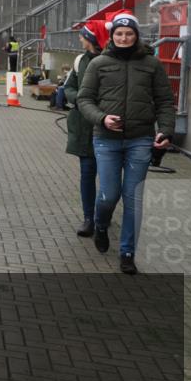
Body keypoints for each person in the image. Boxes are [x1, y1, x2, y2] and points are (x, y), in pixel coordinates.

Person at [77, 10, 176, 275]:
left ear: (136, 35)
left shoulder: (152, 64)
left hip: (140, 140)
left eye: (129, 33)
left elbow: (165, 101)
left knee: (133, 198)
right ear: (112, 36)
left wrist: (166, 131)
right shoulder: (99, 63)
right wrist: (102, 118)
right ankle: (100, 224)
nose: (123, 38)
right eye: (119, 33)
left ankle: (127, 252)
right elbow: (84, 99)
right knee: (109, 195)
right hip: (106, 140)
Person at [64, 20, 109, 237]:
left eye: (83, 35)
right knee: (87, 173)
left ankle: (104, 215)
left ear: (90, 38)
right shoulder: (79, 61)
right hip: (83, 127)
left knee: (109, 178)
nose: (80, 38)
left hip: (107, 127)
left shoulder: (109, 61)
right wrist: (80, 100)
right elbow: (69, 87)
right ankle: (89, 218)